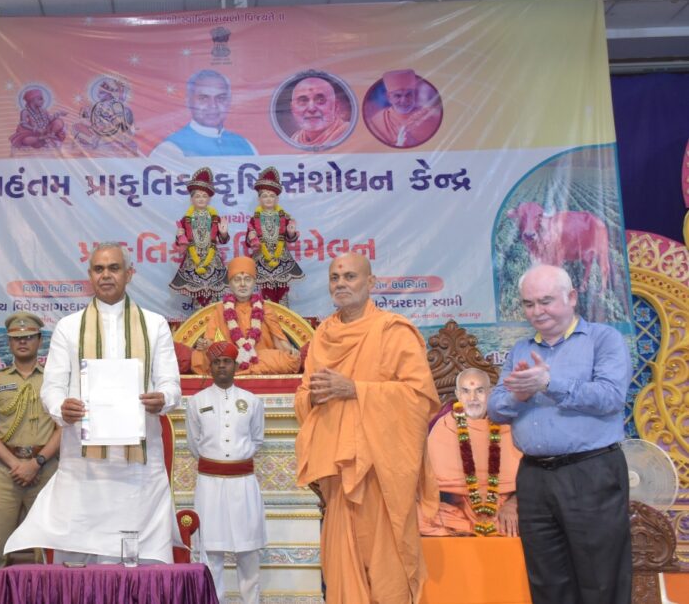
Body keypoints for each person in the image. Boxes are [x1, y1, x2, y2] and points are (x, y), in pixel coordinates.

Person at [3, 243, 182, 563]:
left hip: (137, 467)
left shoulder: (154, 325)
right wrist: (62, 407)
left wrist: (163, 399)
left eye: (114, 268)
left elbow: (171, 384)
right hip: (83, 466)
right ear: (90, 276)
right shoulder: (69, 327)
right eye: (99, 269)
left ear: (129, 274)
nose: (106, 275)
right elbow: (52, 388)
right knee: (79, 561)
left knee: (136, 564)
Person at [294, 253, 440, 603]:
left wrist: (356, 389)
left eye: (350, 276)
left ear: (370, 282)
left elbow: (419, 398)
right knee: (340, 568)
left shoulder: (393, 331)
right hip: (337, 472)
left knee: (387, 568)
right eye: (334, 277)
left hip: (381, 471)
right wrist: (313, 398)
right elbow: (303, 397)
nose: (341, 283)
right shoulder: (323, 335)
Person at [487, 264, 632, 603]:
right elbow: (495, 409)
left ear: (572, 297)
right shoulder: (520, 350)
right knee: (547, 580)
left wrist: (549, 383)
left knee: (600, 579)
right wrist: (520, 394)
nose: (537, 311)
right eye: (529, 304)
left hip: (590, 472)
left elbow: (611, 397)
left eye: (546, 301)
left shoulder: (602, 339)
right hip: (534, 478)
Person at [0, 312, 62, 589]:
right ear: (9, 343)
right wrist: (16, 463)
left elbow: (64, 428)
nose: (22, 342)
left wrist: (37, 462)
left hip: (46, 469)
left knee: (48, 555)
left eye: (29, 337)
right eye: (16, 338)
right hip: (4, 470)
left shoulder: (55, 380)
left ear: (40, 341)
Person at [185, 342, 266, 603]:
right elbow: (194, 442)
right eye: (217, 362)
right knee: (211, 552)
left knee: (248, 551)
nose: (222, 366)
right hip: (210, 485)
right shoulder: (197, 402)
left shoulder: (252, 401)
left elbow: (257, 439)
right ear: (210, 367)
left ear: (236, 365)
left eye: (227, 361)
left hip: (243, 484)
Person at [421, 368, 522, 537]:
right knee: (417, 516)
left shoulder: (508, 426)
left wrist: (513, 505)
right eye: (466, 391)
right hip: (457, 511)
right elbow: (428, 484)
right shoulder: (444, 426)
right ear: (458, 395)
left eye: (479, 391)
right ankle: (464, 529)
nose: (473, 398)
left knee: (536, 516)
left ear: (490, 393)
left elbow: (528, 478)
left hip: (503, 510)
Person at [185, 256, 301, 376]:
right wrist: (205, 345)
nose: (242, 284)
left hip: (258, 356)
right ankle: (240, 366)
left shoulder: (265, 309)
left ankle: (240, 368)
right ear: (230, 284)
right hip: (230, 357)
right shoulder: (220, 310)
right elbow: (210, 343)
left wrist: (290, 351)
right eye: (237, 280)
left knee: (289, 359)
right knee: (199, 357)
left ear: (254, 282)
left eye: (247, 279)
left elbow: (279, 342)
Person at [152, 69, 256, 158]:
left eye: (220, 98)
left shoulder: (246, 145)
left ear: (229, 101)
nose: (213, 105)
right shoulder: (170, 148)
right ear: (188, 101)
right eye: (203, 98)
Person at [169, 167, 229, 307]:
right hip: (193, 259)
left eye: (204, 196)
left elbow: (222, 240)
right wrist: (179, 236)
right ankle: (199, 318)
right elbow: (181, 242)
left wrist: (224, 233)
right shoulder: (186, 219)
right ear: (192, 199)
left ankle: (214, 319)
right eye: (197, 196)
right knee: (197, 296)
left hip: (212, 260)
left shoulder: (215, 218)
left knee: (214, 297)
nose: (201, 199)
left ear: (209, 199)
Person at [245, 167, 303, 304]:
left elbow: (290, 238)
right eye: (265, 196)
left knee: (282, 294)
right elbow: (248, 241)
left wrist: (291, 232)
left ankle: (283, 317)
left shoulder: (284, 217)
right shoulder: (254, 219)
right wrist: (252, 238)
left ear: (277, 199)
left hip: (281, 259)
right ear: (259, 199)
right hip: (262, 259)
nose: (268, 199)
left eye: (272, 196)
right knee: (267, 295)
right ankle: (268, 316)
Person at [365, 69, 441, 148]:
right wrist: (399, 145)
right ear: (388, 97)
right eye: (398, 95)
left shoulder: (431, 118)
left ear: (414, 94)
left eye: (408, 94)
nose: (404, 100)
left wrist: (413, 142)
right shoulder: (377, 122)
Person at [288, 76, 351, 149]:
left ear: (335, 106)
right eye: (303, 101)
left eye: (320, 100)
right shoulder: (295, 139)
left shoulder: (349, 134)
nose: (311, 108)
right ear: (292, 108)